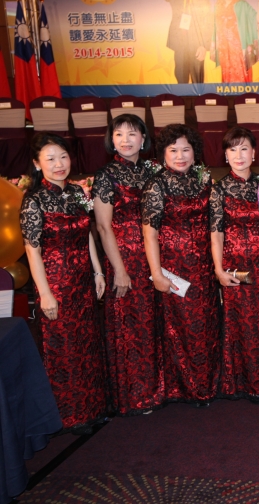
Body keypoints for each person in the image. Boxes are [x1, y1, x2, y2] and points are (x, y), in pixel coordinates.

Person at [20, 133, 107, 433]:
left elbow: (87, 234)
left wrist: (98, 272)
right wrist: (44, 294)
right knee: (65, 349)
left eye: (63, 157)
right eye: (50, 159)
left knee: (87, 343)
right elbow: (32, 251)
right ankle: (71, 414)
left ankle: (93, 406)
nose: (59, 164)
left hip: (83, 279)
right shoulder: (34, 201)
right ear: (37, 164)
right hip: (56, 282)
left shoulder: (77, 192)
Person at [210, 127, 259, 402]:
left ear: (254, 153)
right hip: (236, 268)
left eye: (244, 148)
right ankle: (243, 382)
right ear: (225, 155)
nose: (239, 155)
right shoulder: (219, 189)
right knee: (241, 324)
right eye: (232, 149)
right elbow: (216, 233)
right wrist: (219, 270)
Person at [142, 124, 219, 406]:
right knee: (182, 328)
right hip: (175, 268)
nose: (180, 156)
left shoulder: (203, 180)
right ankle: (187, 387)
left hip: (204, 267)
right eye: (173, 150)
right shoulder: (156, 185)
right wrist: (156, 273)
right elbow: (149, 234)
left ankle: (207, 382)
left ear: (194, 152)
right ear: (163, 153)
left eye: (186, 150)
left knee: (206, 325)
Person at [94, 114, 164, 416]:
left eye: (132, 133)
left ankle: (157, 387)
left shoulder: (152, 170)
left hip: (154, 256)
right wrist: (120, 270)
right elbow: (103, 227)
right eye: (119, 134)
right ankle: (135, 395)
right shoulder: (106, 175)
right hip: (125, 259)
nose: (126, 140)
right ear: (111, 139)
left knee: (153, 323)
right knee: (131, 327)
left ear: (143, 138)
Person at [144, 0, 212, 84]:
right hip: (180, 44)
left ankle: (198, 95)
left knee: (198, 80)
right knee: (181, 78)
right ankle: (182, 94)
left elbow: (208, 22)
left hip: (197, 44)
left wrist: (204, 46)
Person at [212, 0, 259, 83]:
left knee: (242, 80)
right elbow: (214, 29)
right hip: (224, 51)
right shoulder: (217, 7)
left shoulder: (242, 5)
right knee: (226, 82)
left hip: (239, 50)